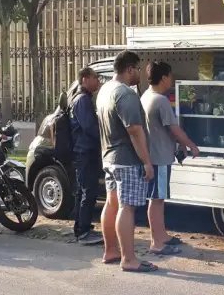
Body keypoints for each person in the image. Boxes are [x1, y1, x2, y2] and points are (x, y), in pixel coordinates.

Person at [96, 50, 158, 273]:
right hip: (126, 159)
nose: (140, 73)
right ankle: (129, 259)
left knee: (112, 203)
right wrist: (147, 161)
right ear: (129, 69)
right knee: (126, 207)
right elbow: (134, 130)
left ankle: (111, 250)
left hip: (109, 157)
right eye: (138, 69)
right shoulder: (125, 94)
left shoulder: (105, 90)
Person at [141, 61, 200, 255]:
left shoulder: (146, 96)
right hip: (159, 158)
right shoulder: (161, 100)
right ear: (164, 78)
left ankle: (162, 235)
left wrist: (180, 146)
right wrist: (191, 145)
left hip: (156, 155)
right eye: (171, 76)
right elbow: (174, 129)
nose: (172, 80)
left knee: (158, 199)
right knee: (156, 200)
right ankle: (157, 243)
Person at [69, 67, 103, 245]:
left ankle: (81, 226)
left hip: (84, 151)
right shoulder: (82, 100)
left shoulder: (83, 98)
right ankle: (82, 232)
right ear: (84, 79)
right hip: (84, 151)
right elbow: (89, 127)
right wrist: (105, 138)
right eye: (95, 78)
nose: (98, 81)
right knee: (87, 192)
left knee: (83, 190)